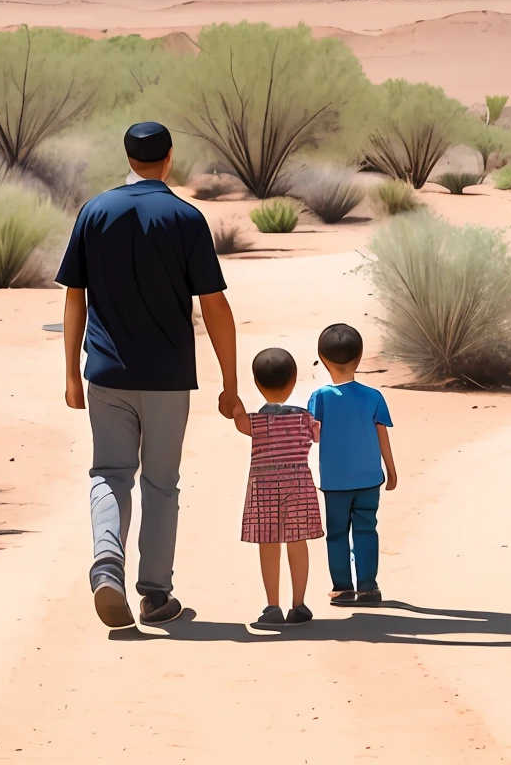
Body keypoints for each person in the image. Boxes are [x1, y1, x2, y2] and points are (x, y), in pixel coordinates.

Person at [58, 121, 240, 630]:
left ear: (127, 156)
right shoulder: (186, 217)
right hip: (167, 378)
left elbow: (75, 295)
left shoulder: (94, 212)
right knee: (161, 483)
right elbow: (215, 305)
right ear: (169, 157)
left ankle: (107, 568)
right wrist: (229, 382)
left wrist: (72, 372)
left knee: (109, 474)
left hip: (107, 374)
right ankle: (156, 596)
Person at [306, 322, 396, 605]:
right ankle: (369, 587)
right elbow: (383, 436)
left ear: (322, 359)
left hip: (334, 483)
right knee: (367, 529)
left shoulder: (319, 398)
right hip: (370, 479)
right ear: (359, 358)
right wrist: (391, 471)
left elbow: (314, 436)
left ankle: (343, 587)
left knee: (336, 533)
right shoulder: (373, 397)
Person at [235, 347, 322, 628]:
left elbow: (236, 417)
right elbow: (319, 435)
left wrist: (232, 398)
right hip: (298, 485)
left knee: (268, 543)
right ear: (294, 380)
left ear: (257, 383)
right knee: (298, 542)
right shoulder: (304, 419)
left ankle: (272, 606)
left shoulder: (255, 421)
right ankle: (299, 605)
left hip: (263, 487)